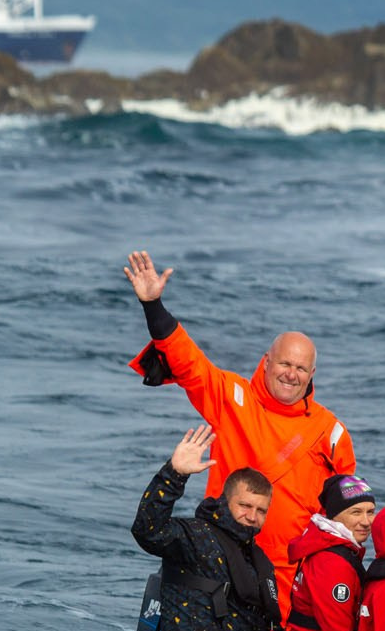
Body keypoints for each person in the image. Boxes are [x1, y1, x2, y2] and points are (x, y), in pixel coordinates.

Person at [122, 250, 354, 611]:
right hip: (226, 560)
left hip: (292, 577)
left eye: (301, 368)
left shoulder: (332, 431)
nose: (291, 374)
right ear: (266, 362)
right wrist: (153, 306)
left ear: (312, 376)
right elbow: (187, 361)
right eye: (284, 364)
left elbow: (346, 515)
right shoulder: (232, 397)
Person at [129, 425, 281, 631]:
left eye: (261, 511)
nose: (252, 516)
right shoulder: (194, 537)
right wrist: (175, 474)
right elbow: (147, 529)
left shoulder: (257, 559)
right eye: (245, 506)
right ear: (226, 501)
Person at [268, 473, 378, 631]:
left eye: (370, 511)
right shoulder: (332, 563)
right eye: (356, 512)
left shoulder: (331, 548)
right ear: (335, 515)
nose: (367, 521)